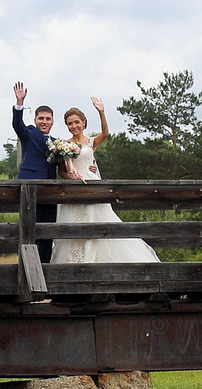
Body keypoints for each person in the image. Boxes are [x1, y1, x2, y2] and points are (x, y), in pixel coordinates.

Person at [48, 97, 158, 265]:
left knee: (94, 221)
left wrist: (101, 112)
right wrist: (70, 176)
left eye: (77, 122)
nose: (74, 126)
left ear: (83, 123)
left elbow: (105, 133)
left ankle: (92, 258)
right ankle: (74, 261)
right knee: (73, 223)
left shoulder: (90, 142)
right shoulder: (64, 145)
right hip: (73, 188)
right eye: (70, 124)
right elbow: (61, 171)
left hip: (92, 185)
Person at [11, 83, 57, 260]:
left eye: (48, 119)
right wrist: (19, 103)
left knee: (48, 230)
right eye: (41, 118)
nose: (44, 122)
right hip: (30, 188)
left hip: (51, 191)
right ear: (36, 120)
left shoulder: (57, 142)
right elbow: (17, 124)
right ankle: (27, 265)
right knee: (29, 229)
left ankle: (45, 266)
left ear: (52, 121)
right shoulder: (29, 133)